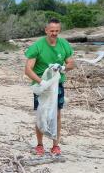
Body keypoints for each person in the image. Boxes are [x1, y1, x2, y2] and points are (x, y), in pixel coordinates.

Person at [24, 18, 75, 156]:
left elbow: (71, 63)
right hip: (41, 85)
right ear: (46, 30)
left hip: (57, 85)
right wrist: (41, 82)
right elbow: (28, 69)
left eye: (57, 31)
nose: (54, 33)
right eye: (51, 31)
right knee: (41, 114)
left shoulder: (63, 44)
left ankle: (55, 145)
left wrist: (63, 67)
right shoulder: (37, 46)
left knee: (57, 114)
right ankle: (40, 145)